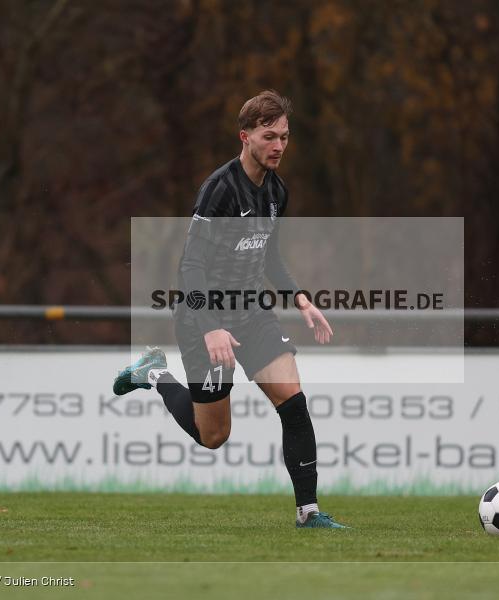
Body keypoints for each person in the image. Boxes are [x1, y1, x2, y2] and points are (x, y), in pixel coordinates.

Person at [114, 90, 348, 529]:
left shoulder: (277, 191)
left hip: (252, 313)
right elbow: (191, 266)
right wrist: (210, 326)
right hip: (202, 316)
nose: (279, 145)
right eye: (269, 136)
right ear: (245, 137)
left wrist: (299, 297)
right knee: (214, 436)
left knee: (294, 404)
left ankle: (308, 512)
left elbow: (270, 257)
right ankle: (154, 374)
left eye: (285, 136)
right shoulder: (218, 191)